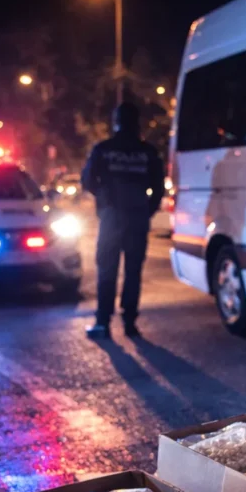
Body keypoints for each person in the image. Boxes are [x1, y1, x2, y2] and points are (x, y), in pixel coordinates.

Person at [82, 103, 164, 339]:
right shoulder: (147, 151)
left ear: (115, 121)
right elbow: (158, 187)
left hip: (111, 216)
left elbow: (88, 181)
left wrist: (105, 199)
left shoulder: (103, 149)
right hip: (137, 216)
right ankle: (130, 323)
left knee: (107, 269)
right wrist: (146, 210)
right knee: (133, 270)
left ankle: (103, 322)